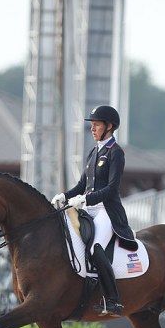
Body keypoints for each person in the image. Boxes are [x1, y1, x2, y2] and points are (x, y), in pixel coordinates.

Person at [51, 105, 137, 316]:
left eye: (96, 124)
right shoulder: (94, 151)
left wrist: (85, 198)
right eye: (92, 125)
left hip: (107, 211)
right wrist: (65, 196)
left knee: (94, 248)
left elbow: (111, 188)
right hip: (88, 210)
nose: (92, 128)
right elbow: (82, 185)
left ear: (109, 127)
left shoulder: (115, 152)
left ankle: (113, 300)